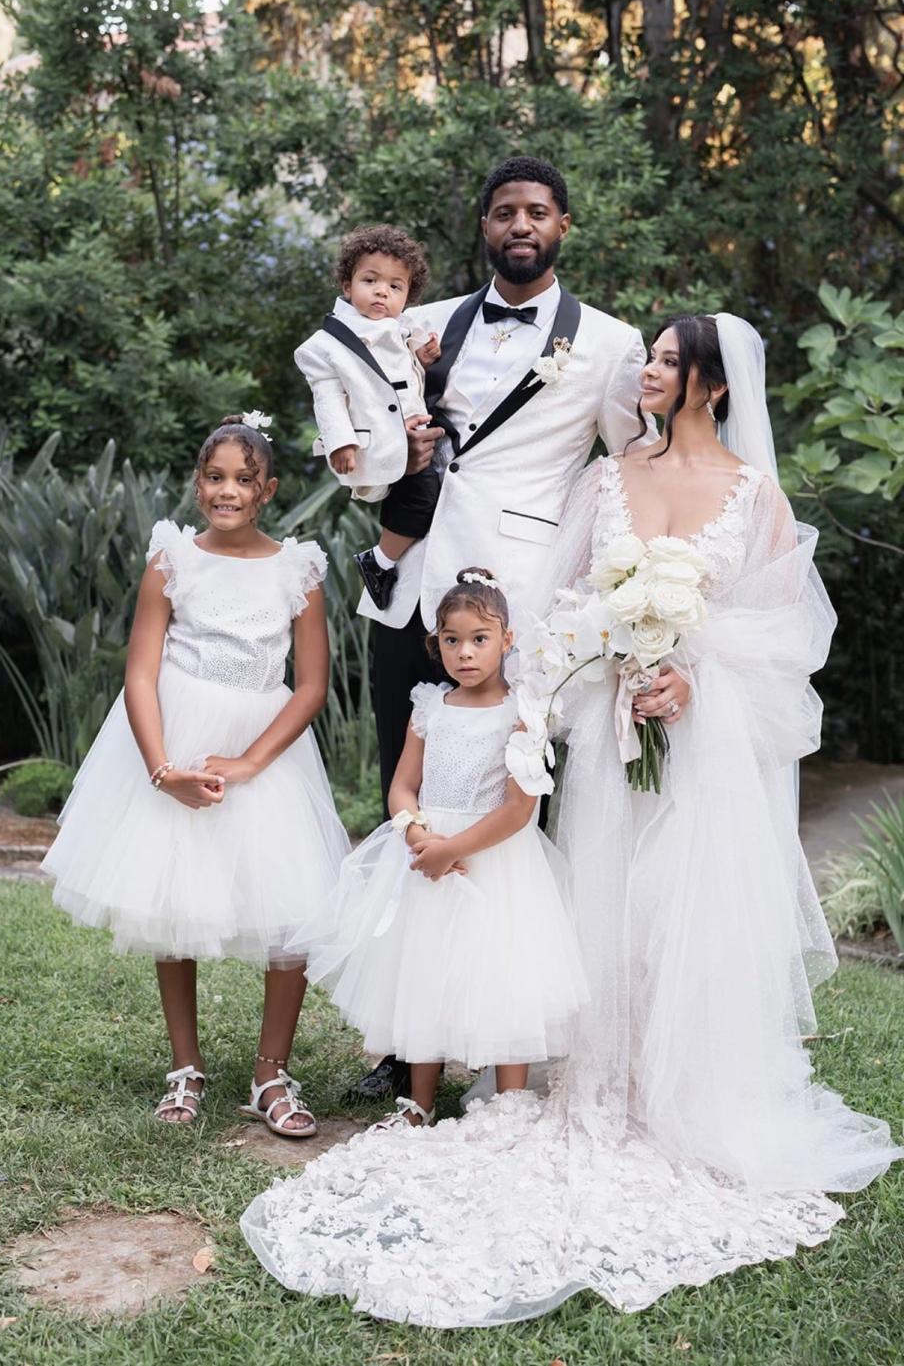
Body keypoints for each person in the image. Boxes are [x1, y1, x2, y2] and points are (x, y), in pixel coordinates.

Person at [237, 315, 901, 1326]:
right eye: (652, 356)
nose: (649, 369)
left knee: (680, 911)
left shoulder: (753, 495)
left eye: (670, 361)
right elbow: (559, 608)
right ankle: (595, 1079)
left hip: (701, 747)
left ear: (712, 388)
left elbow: (788, 634)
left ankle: (681, 1093)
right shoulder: (607, 479)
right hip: (602, 731)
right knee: (603, 903)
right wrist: (605, 661)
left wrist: (688, 666)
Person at [346, 153, 659, 1104]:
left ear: (563, 225)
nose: (519, 225)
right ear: (483, 227)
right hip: (417, 583)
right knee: (413, 776)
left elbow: (624, 467)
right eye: (502, 212)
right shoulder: (423, 325)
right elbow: (369, 425)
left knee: (519, 807)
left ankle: (514, 1032)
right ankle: (409, 1042)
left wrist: (626, 592)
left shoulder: (608, 342)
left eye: (537, 212)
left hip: (522, 600)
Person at [43, 414, 350, 1134]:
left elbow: (310, 685)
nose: (228, 490)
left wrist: (248, 760)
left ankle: (271, 1074)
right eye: (215, 477)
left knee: (290, 915)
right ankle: (186, 1067)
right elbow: (142, 670)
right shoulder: (171, 557)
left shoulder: (297, 569)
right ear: (197, 481)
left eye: (245, 479)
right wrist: (162, 769)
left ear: (269, 488)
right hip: (175, 744)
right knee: (174, 899)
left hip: (264, 752)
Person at [299, 568, 587, 1129]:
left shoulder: (524, 713)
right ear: (437, 645)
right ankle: (418, 1103)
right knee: (423, 973)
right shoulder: (431, 707)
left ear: (507, 641)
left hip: (496, 861)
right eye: (451, 640)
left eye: (480, 638)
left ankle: (508, 1106)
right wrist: (417, 835)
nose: (465, 652)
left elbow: (518, 809)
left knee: (506, 975)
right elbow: (404, 785)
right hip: (430, 862)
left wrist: (452, 846)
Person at [294, 224, 442, 612]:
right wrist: (342, 442)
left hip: (413, 430)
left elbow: (399, 368)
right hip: (376, 442)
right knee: (422, 498)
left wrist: (420, 359)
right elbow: (327, 398)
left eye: (395, 287)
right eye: (370, 280)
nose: (382, 292)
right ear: (347, 284)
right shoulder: (328, 346)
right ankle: (379, 561)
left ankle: (385, 559)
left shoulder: (399, 328)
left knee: (420, 497)